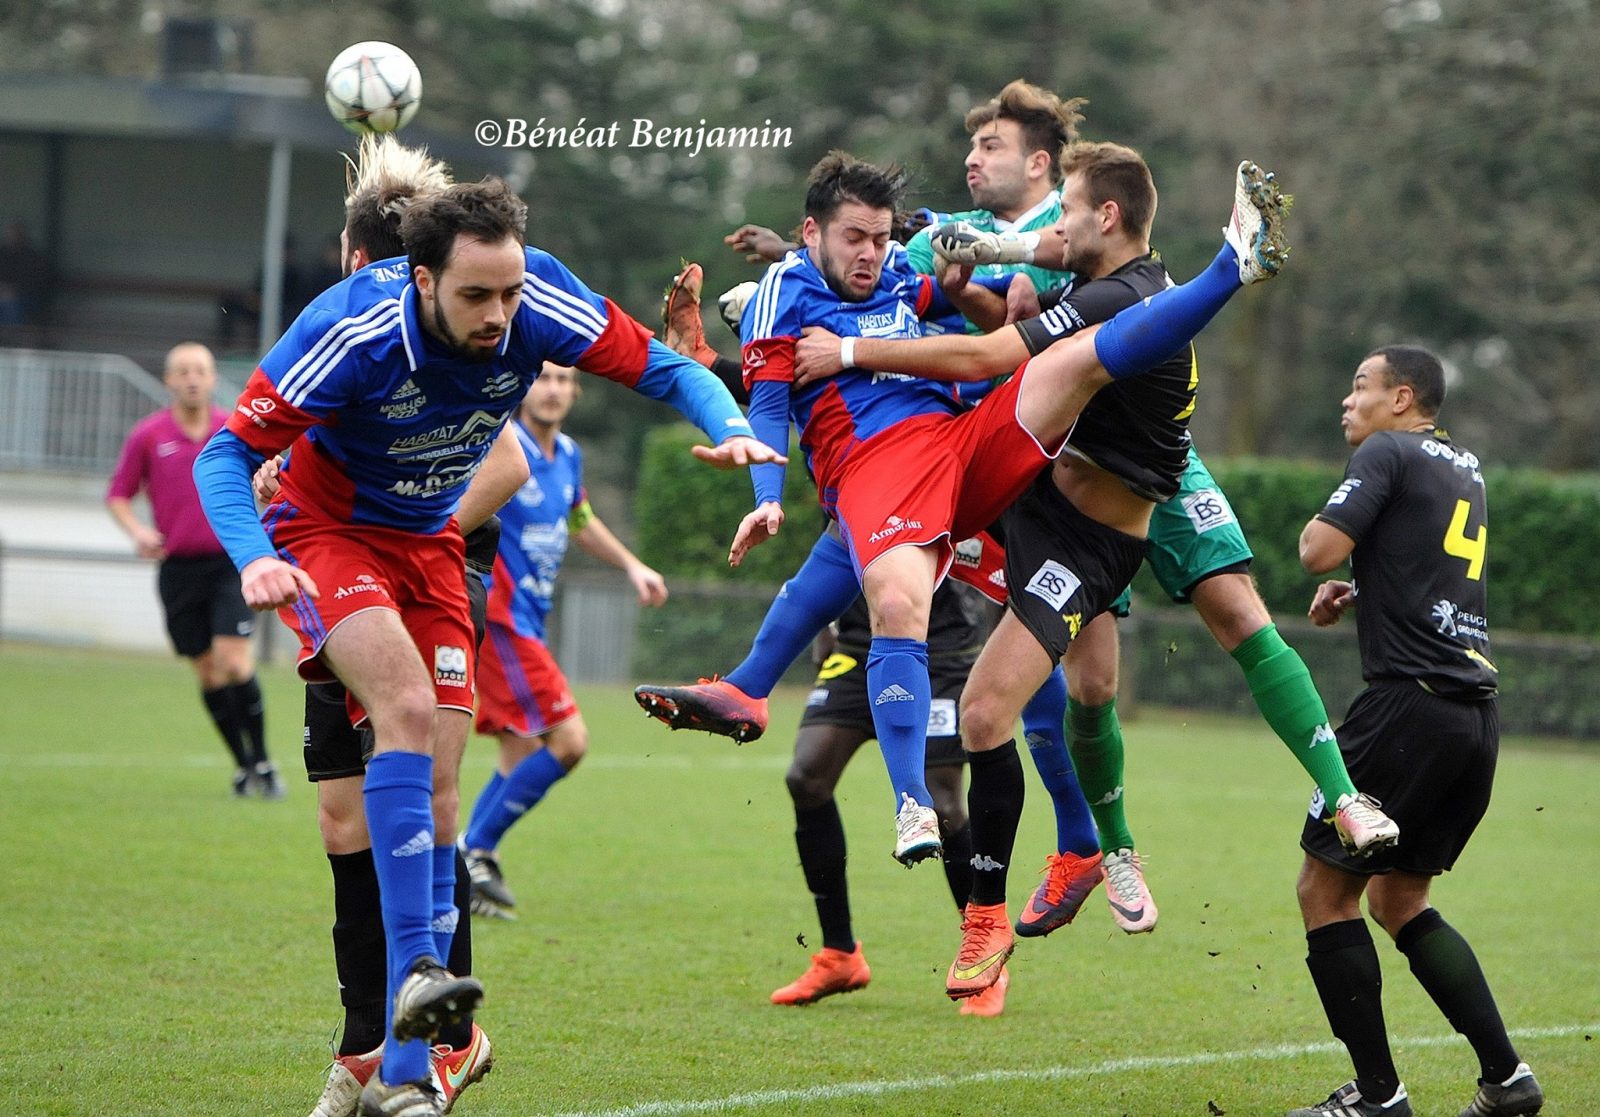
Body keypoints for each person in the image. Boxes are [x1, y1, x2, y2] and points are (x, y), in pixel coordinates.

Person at [194, 175, 778, 1116]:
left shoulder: (537, 299)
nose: (500, 314)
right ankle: (420, 976)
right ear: (419, 278)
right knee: (404, 707)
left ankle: (405, 1067)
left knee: (437, 782)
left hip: (431, 541)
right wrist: (255, 557)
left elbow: (667, 368)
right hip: (329, 534)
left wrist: (732, 425)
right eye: (477, 295)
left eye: (509, 291)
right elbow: (223, 453)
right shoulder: (352, 329)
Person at [797, 149, 1398, 945]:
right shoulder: (1076, 268)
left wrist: (846, 348)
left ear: (1060, 178)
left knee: (1239, 616)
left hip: (1158, 486)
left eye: (990, 143)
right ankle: (1109, 850)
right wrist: (939, 257)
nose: (975, 157)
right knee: (1089, 683)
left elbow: (995, 346)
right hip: (1069, 500)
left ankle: (1342, 792)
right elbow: (1020, 268)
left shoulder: (1114, 289)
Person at [654, 149, 1288, 888]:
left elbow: (970, 326)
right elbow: (770, 404)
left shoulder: (910, 268)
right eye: (855, 237)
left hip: (963, 443)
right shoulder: (782, 294)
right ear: (812, 232)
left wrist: (969, 286)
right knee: (911, 607)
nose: (872, 253)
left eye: (880, 237)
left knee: (1068, 363)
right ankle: (920, 803)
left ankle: (1229, 269)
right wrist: (765, 495)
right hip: (878, 470)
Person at [283, 134, 518, 1117]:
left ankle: (444, 1040)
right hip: (341, 588)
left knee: (426, 796)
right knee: (344, 818)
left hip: (425, 586)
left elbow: (510, 463)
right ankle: (363, 1045)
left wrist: (408, 523)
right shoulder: (342, 338)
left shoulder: (458, 334)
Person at [1288, 346, 1542, 1117]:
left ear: (1402, 398)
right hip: (1472, 717)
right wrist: (1365, 589)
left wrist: (1334, 559)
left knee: (1324, 890)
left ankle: (1378, 1096)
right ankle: (1507, 1079)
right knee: (1399, 898)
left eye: (1360, 386)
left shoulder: (1387, 451)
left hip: (1406, 710)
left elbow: (1315, 550)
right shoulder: (1465, 466)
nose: (1347, 401)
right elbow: (1433, 572)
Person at [458, 362, 670, 920]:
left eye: (564, 380)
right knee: (569, 741)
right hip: (500, 618)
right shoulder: (502, 446)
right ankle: (473, 850)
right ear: (524, 386)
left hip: (530, 619)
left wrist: (632, 565)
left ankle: (469, 870)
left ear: (575, 391)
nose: (553, 389)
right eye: (544, 378)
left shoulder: (569, 455)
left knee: (520, 750)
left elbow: (579, 521)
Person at [106, 341, 283, 799]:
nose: (191, 379)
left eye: (199, 370)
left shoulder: (234, 430)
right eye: (182, 371)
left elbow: (271, 475)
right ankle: (243, 766)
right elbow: (119, 494)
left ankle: (264, 762)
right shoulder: (149, 435)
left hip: (231, 564)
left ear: (212, 377)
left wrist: (266, 492)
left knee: (234, 661)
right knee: (208, 673)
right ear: (169, 380)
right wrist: (139, 532)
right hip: (178, 570)